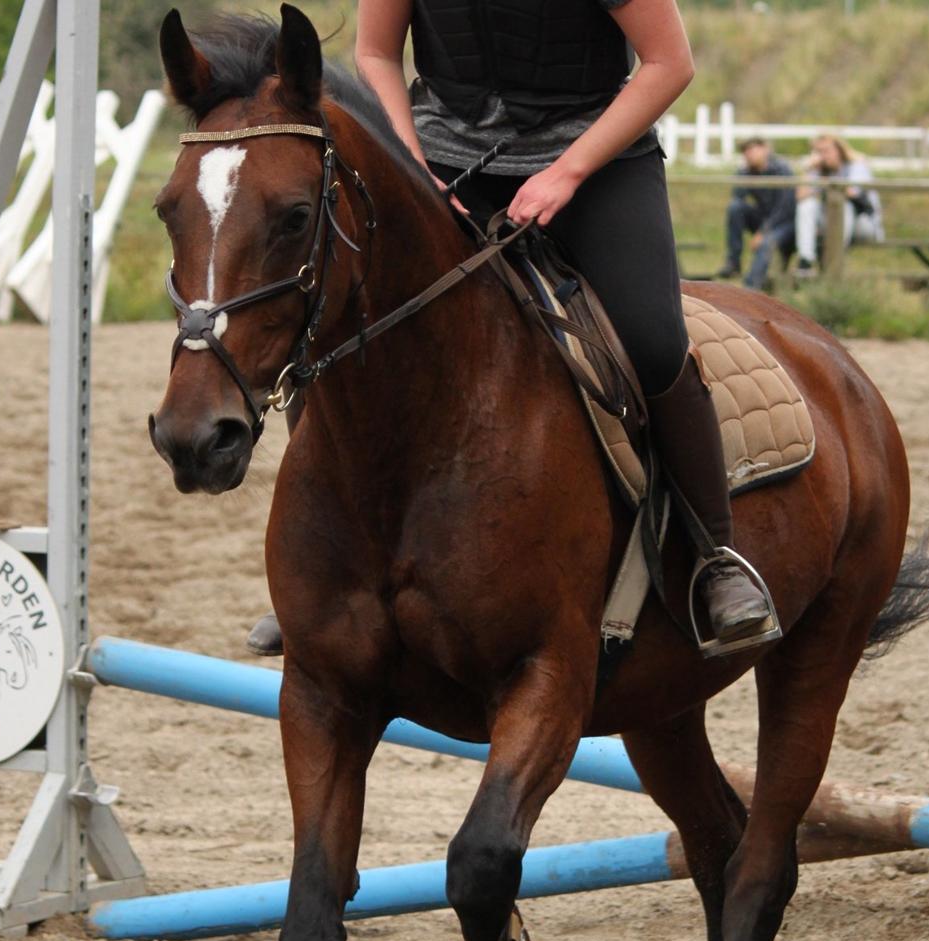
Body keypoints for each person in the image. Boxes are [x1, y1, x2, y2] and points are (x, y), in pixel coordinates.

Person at [350, 0, 773, 652]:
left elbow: (669, 63)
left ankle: (714, 558)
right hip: (439, 159)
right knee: (353, 320)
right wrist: (410, 161)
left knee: (652, 342)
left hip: (595, 158)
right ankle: (339, 565)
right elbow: (376, 53)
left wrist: (565, 172)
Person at [793, 134, 882, 278]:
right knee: (807, 205)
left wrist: (824, 182)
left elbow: (852, 193)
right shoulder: (818, 169)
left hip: (863, 222)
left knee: (844, 206)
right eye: (818, 151)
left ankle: (833, 264)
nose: (822, 156)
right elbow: (800, 196)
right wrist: (808, 170)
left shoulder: (856, 166)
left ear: (839, 150)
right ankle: (806, 262)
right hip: (831, 224)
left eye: (826, 150)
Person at [715, 137, 795, 291]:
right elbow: (738, 196)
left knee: (765, 243)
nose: (748, 154)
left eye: (752, 149)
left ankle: (750, 287)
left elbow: (785, 208)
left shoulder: (781, 169)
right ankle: (733, 263)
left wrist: (763, 232)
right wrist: (743, 174)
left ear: (765, 149)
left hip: (785, 222)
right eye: (745, 151)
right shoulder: (747, 171)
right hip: (763, 218)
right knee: (735, 207)